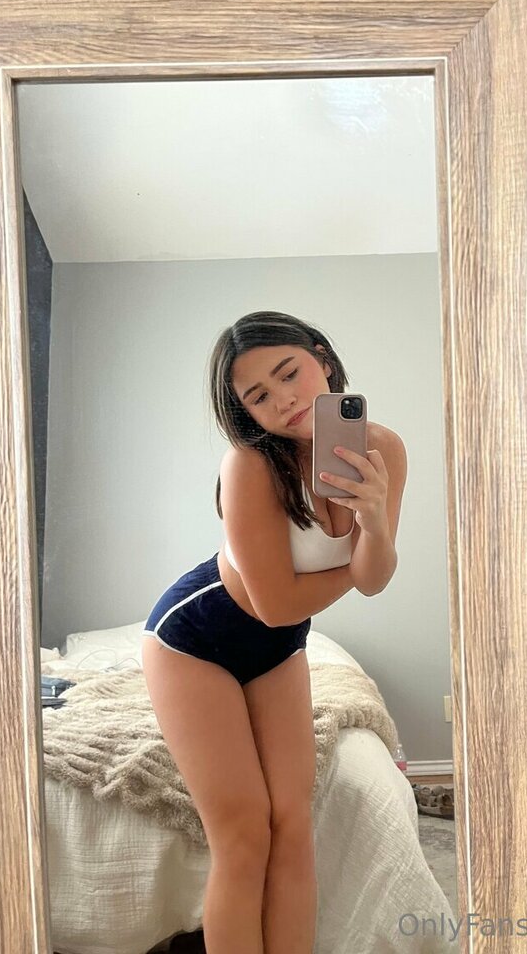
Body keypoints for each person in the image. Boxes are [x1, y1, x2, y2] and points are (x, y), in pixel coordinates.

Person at [141, 310, 408, 954]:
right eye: (258, 396)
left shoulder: (383, 449)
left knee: (292, 827)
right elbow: (276, 605)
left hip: (276, 648)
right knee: (242, 833)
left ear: (323, 358)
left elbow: (374, 580)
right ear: (246, 413)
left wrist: (373, 521)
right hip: (194, 639)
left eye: (289, 373)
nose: (283, 400)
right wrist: (357, 564)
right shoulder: (250, 465)